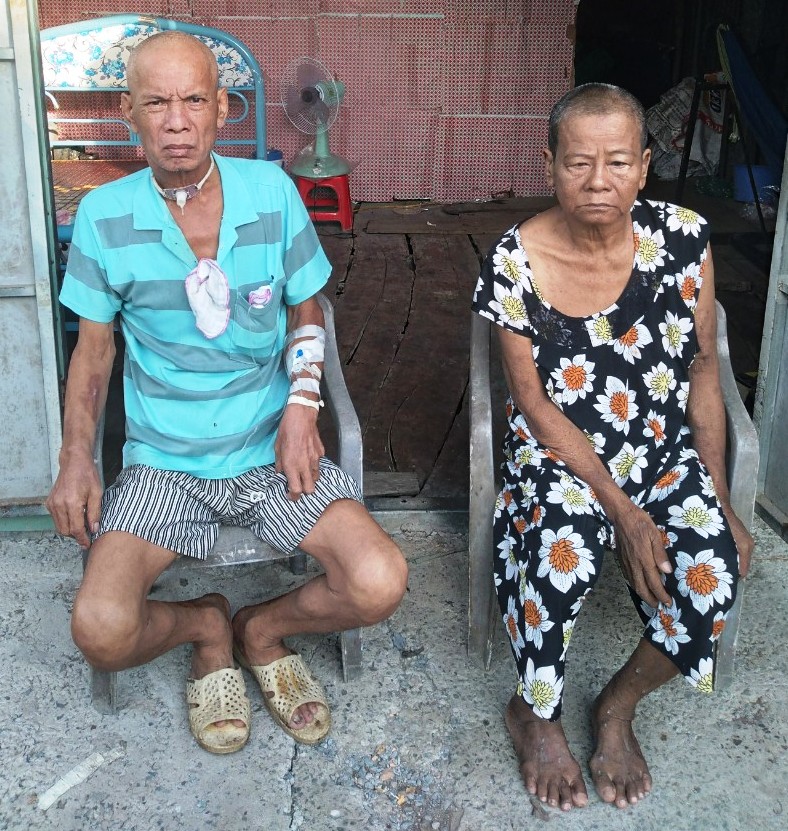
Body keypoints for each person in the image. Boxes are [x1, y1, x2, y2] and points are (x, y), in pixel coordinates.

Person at [46, 31, 408, 755]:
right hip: (163, 462)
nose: (177, 122)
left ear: (220, 108)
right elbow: (93, 352)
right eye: (156, 103)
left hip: (270, 449)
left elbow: (307, 308)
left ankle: (261, 629)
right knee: (101, 630)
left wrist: (301, 408)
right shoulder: (102, 216)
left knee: (378, 581)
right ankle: (204, 625)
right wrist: (77, 457)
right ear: (128, 113)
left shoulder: (271, 192)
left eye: (193, 101)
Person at [471, 83, 753, 811]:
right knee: (560, 549)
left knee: (716, 566)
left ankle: (618, 705)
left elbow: (702, 371)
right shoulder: (513, 260)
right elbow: (533, 403)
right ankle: (535, 713)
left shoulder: (684, 240)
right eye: (579, 162)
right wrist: (623, 512)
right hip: (558, 456)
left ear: (644, 166)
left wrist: (719, 497)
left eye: (618, 162)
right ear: (550, 165)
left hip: (658, 449)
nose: (599, 180)